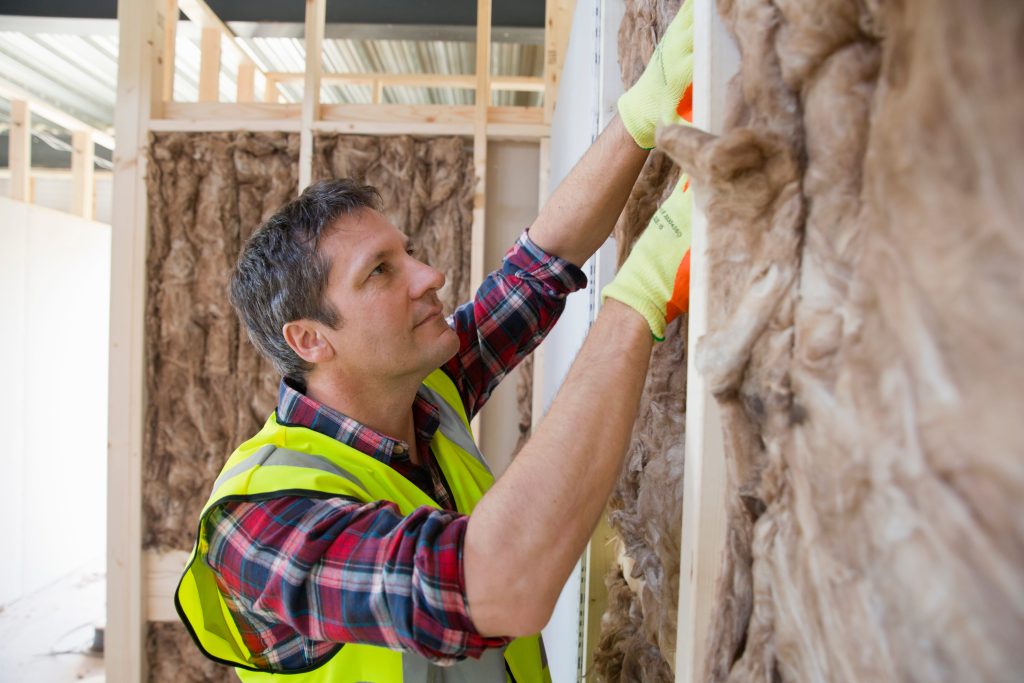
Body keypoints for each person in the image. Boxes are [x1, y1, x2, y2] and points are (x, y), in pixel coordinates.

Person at [176, 4, 695, 681]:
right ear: (309, 338)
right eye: (382, 272)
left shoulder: (422, 397)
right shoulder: (256, 525)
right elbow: (499, 582)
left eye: (408, 252)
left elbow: (535, 271)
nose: (432, 276)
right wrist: (638, 296)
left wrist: (642, 113)